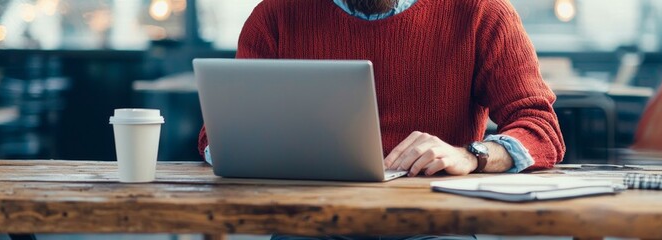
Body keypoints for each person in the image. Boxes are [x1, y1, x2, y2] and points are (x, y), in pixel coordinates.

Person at [198, 0, 564, 237]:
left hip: (434, 225)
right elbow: (217, 135)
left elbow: (541, 129)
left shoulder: (481, 12)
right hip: (309, 223)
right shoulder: (277, 14)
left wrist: (471, 155)